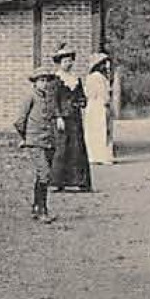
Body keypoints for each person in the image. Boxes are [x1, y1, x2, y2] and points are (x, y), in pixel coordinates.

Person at [13, 65, 62, 223]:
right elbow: (19, 121)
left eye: (47, 81)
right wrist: (25, 138)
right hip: (35, 142)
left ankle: (36, 207)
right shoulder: (31, 97)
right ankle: (43, 210)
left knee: (42, 175)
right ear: (34, 83)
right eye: (41, 80)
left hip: (48, 141)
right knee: (45, 173)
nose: (45, 84)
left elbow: (53, 116)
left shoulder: (48, 98)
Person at [49, 45, 93, 192]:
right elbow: (53, 100)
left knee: (77, 148)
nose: (68, 63)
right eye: (65, 61)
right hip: (62, 119)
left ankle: (80, 181)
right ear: (59, 63)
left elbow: (82, 97)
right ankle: (58, 182)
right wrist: (58, 117)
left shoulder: (76, 79)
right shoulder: (55, 80)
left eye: (70, 61)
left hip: (75, 118)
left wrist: (81, 102)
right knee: (62, 149)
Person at [83, 53, 115, 165]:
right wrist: (107, 103)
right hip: (98, 105)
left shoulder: (97, 77)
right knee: (100, 129)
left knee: (98, 130)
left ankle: (97, 155)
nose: (106, 66)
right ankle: (100, 156)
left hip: (95, 105)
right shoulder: (97, 77)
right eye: (103, 63)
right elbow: (103, 94)